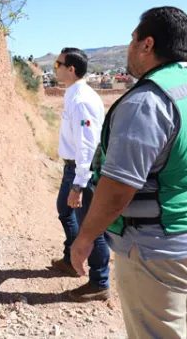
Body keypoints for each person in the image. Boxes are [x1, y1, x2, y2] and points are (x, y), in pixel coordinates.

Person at [70, 6, 187, 339]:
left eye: (132, 39)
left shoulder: (147, 102)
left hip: (160, 248)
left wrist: (84, 239)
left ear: (147, 44)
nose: (128, 47)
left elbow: (117, 189)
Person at [50, 47, 110, 302]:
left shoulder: (82, 99)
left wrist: (79, 185)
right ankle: (73, 259)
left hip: (81, 170)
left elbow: (88, 145)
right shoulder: (73, 94)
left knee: (91, 226)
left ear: (70, 69)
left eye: (57, 64)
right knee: (65, 212)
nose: (55, 68)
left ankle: (99, 282)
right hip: (72, 168)